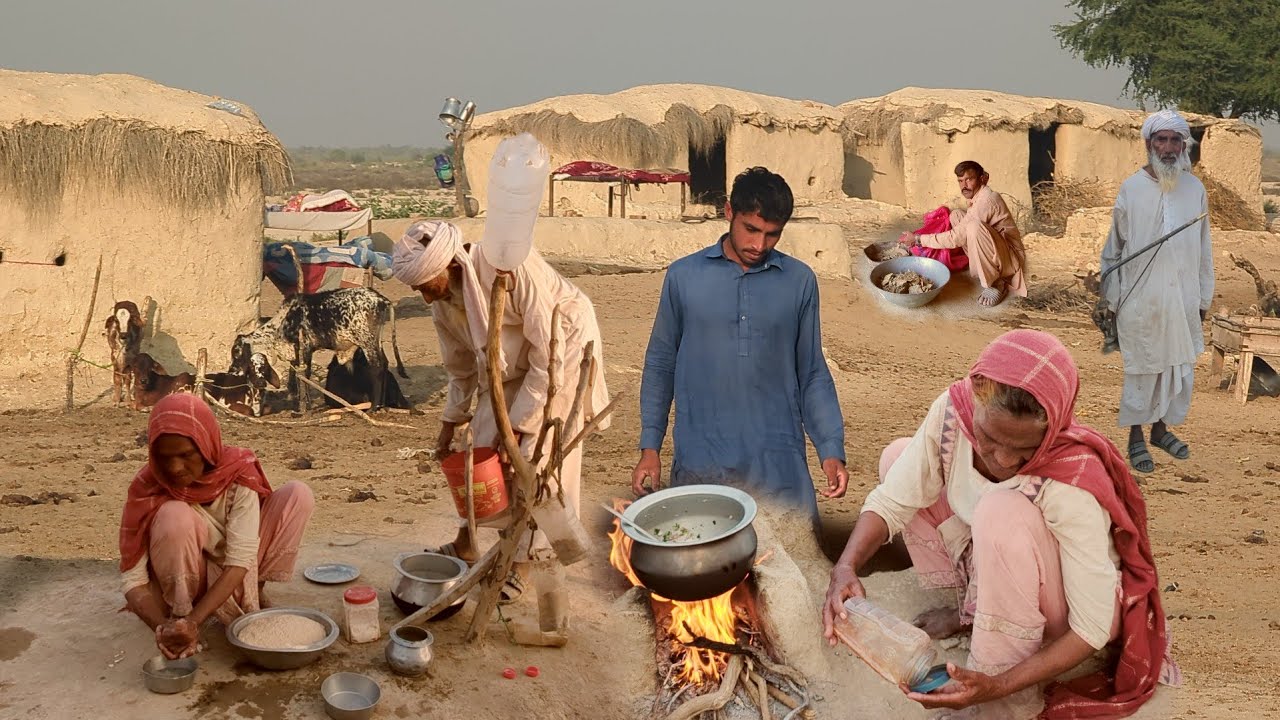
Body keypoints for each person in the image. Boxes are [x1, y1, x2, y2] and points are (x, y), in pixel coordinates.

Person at [821, 330, 1179, 719]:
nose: (1003, 460)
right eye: (989, 438)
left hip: (1064, 614)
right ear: (974, 398)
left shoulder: (1071, 481)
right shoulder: (952, 414)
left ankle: (1005, 700)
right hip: (1002, 557)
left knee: (1000, 510)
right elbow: (892, 500)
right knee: (898, 458)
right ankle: (973, 615)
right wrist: (845, 567)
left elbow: (1091, 629)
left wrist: (998, 685)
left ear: (1051, 429)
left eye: (1024, 450)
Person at [391, 219, 609, 603]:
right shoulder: (444, 305)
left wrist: (524, 426)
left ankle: (523, 563)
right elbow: (460, 369)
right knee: (482, 447)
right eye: (418, 290)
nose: (426, 298)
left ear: (451, 266)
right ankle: (468, 542)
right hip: (511, 362)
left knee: (536, 459)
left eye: (427, 287)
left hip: (565, 347)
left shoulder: (510, 268)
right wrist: (448, 426)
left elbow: (549, 354)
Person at [631, 167, 848, 519]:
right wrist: (649, 447)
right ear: (730, 212)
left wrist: (830, 449)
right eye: (751, 229)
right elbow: (660, 365)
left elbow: (812, 373)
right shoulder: (683, 277)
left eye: (772, 235)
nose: (759, 245)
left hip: (780, 467)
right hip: (702, 464)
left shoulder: (800, 282)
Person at [118, 394, 314, 660]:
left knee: (297, 494)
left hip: (239, 570)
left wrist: (195, 625)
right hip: (189, 576)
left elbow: (240, 558)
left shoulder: (237, 470)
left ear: (206, 444)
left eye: (186, 455)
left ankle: (253, 589)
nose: (175, 467)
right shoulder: (148, 486)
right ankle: (180, 613)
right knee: (175, 515)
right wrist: (164, 628)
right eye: (164, 457)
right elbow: (133, 579)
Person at [1100, 109, 1213, 474]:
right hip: (1139, 296)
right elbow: (1113, 247)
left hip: (1182, 295)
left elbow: (1203, 248)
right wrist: (1112, 298)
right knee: (1144, 366)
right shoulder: (1131, 188)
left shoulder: (1195, 190)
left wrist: (1203, 299)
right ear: (1149, 144)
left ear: (1184, 145)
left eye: (1174, 140)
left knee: (1177, 365)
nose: (1167, 147)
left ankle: (1161, 430)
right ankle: (1136, 436)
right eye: (1160, 140)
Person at [899, 161, 1027, 307]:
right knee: (956, 215)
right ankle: (980, 265)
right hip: (998, 250)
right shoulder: (977, 196)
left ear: (983, 178)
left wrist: (918, 239)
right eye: (960, 181)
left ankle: (995, 284)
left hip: (1010, 258)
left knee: (973, 227)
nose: (964, 185)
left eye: (969, 179)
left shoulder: (987, 199)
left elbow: (957, 237)